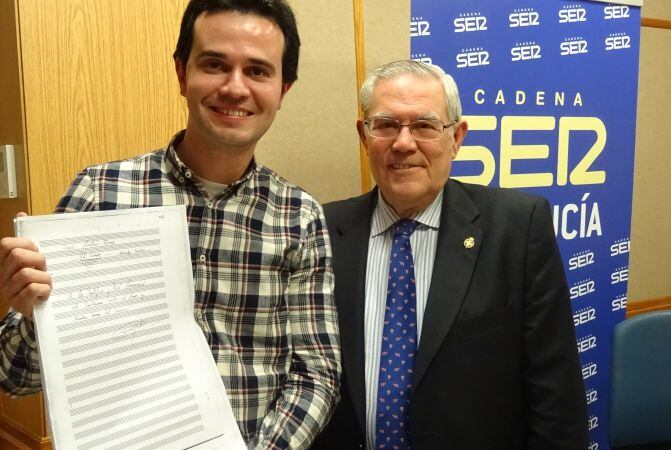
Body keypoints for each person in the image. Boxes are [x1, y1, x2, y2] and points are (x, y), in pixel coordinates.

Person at [0, 1, 341, 448]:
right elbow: (14, 377)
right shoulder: (101, 193)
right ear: (182, 73)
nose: (235, 87)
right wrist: (30, 312)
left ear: (283, 89)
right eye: (215, 64)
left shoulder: (299, 216)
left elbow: (317, 374)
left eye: (258, 71)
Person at [312, 60, 587, 450]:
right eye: (386, 125)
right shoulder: (321, 229)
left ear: (457, 137)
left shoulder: (517, 228)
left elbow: (556, 395)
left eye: (425, 126)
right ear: (364, 135)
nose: (403, 143)